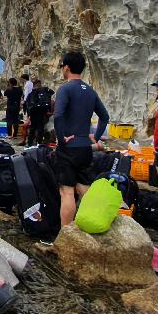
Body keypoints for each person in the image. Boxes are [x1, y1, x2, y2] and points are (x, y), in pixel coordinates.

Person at [51, 51, 110, 228]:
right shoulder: (90, 91)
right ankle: (91, 225)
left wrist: (61, 139)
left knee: (67, 192)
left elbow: (58, 116)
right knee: (84, 188)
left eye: (62, 66)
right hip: (85, 147)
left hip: (68, 147)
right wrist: (95, 138)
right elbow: (105, 117)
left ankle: (66, 234)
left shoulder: (65, 89)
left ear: (67, 68)